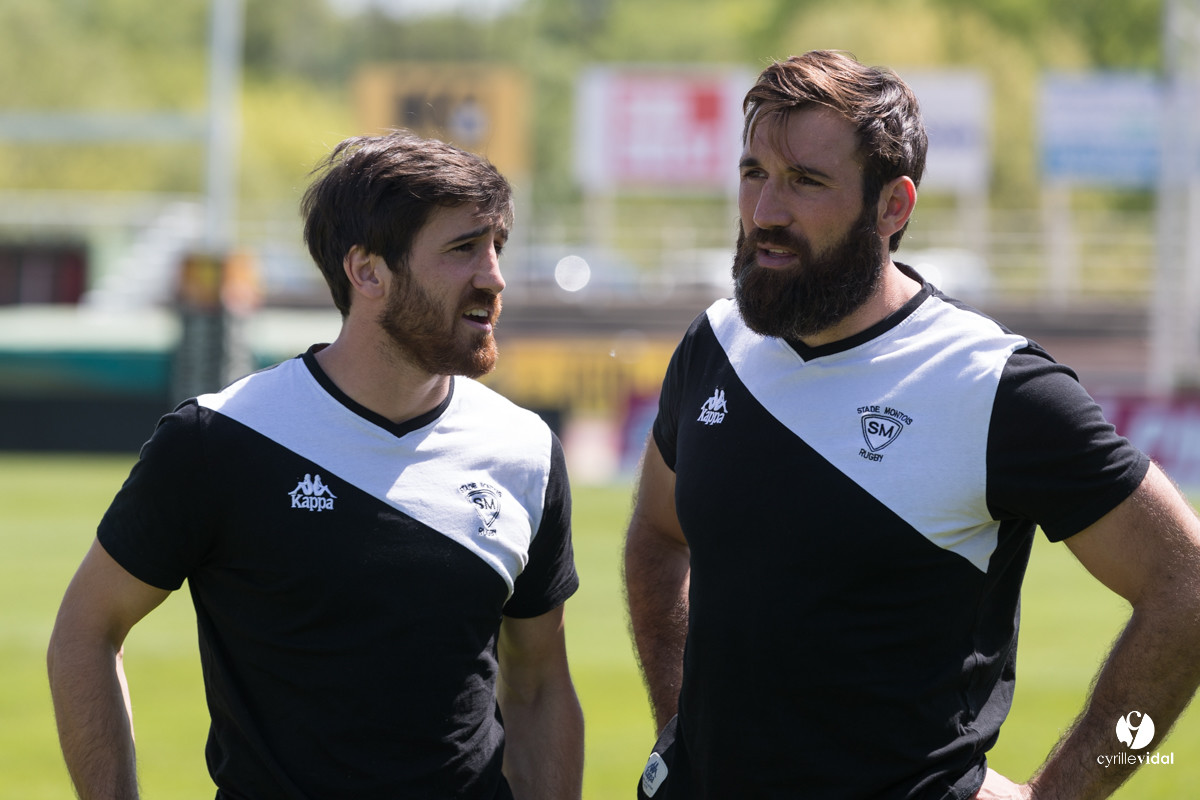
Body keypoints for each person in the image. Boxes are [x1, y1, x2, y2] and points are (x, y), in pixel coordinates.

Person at [623, 50, 1200, 800]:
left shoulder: (993, 385)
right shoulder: (713, 345)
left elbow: (1184, 586)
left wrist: (1059, 795)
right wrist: (681, 728)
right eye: (754, 172)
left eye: (806, 182)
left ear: (893, 207)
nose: (765, 211)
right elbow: (658, 537)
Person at [47, 131, 584, 800]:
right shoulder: (220, 440)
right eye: (462, 249)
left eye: (496, 247)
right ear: (367, 272)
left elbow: (537, 687)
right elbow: (85, 632)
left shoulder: (523, 449)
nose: (494, 276)